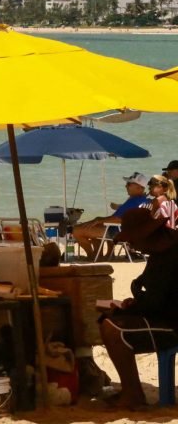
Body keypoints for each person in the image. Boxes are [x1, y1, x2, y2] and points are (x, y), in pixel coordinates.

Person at [98, 208, 178, 410]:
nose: (132, 245)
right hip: (168, 313)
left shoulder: (168, 257)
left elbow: (156, 305)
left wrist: (131, 308)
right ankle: (131, 391)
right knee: (111, 319)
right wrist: (137, 303)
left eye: (132, 240)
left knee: (113, 329)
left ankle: (132, 393)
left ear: (146, 236)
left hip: (173, 322)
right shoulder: (164, 248)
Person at [71, 173, 151, 259]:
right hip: (132, 233)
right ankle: (100, 255)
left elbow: (118, 219)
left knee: (76, 230)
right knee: (94, 226)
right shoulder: (146, 201)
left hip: (117, 232)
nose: (126, 186)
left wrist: (98, 219)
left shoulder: (134, 201)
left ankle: (91, 256)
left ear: (139, 187)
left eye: (129, 184)